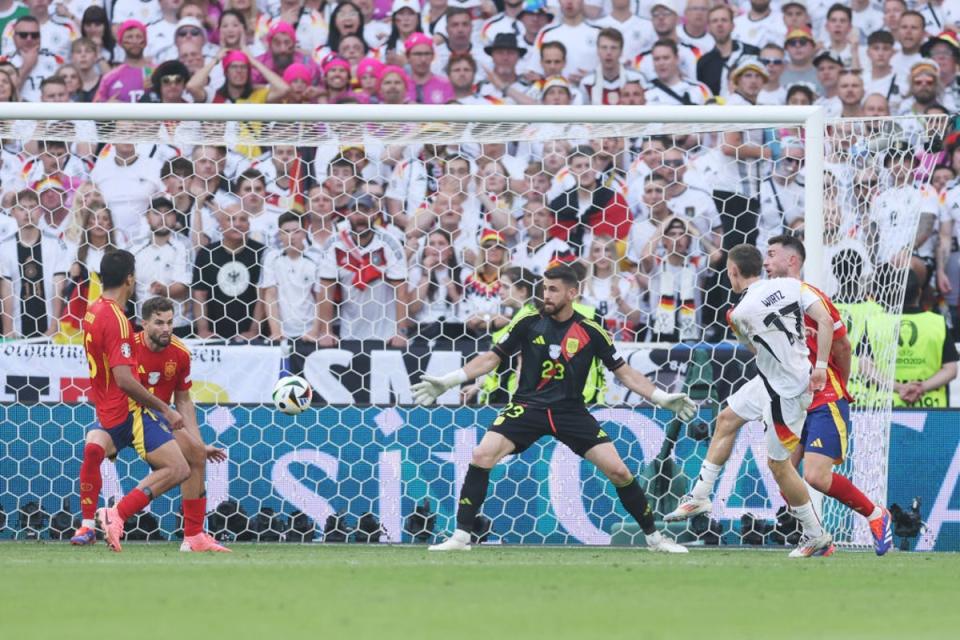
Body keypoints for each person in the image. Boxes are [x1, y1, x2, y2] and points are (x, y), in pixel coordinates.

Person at [414, 264, 696, 553]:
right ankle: (461, 537)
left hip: (570, 413)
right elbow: (491, 358)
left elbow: (624, 373)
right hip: (527, 408)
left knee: (620, 473)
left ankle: (655, 539)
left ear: (572, 293)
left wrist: (661, 397)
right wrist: (449, 381)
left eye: (553, 290)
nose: (546, 295)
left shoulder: (591, 331)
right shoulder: (528, 323)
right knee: (481, 454)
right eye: (544, 289)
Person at [668, 244, 837, 557]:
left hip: (785, 391)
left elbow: (754, 348)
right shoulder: (791, 285)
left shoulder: (738, 313)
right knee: (727, 419)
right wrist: (822, 366)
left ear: (732, 272)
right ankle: (701, 495)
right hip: (780, 378)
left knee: (779, 466)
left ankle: (816, 536)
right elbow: (825, 321)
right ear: (760, 266)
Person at [71, 296, 230, 551]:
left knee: (197, 455)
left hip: (156, 420)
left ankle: (193, 536)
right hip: (124, 416)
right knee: (93, 448)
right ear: (143, 323)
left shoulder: (180, 354)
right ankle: (89, 524)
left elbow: (184, 402)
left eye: (169, 322)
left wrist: (196, 441)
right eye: (159, 323)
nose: (166, 329)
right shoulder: (128, 346)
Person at [68, 250, 189, 552]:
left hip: (108, 407)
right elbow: (123, 379)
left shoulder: (94, 310)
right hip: (128, 410)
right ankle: (112, 515)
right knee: (178, 470)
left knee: (94, 448)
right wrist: (165, 408)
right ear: (130, 279)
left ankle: (88, 523)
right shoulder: (118, 322)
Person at [316, 191, 409, 347]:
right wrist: (326, 331)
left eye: (365, 210)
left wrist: (401, 332)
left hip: (386, 336)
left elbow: (401, 290)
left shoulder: (389, 243)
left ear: (374, 213)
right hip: (349, 334)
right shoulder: (334, 243)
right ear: (347, 214)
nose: (359, 216)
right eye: (355, 211)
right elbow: (326, 290)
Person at [866, 270, 959, 409]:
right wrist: (921, 388)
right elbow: (950, 369)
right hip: (931, 408)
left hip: (885, 407)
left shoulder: (875, 323)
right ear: (919, 292)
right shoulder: (937, 323)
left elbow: (865, 367)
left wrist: (899, 387)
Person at [0, 189, 69, 338]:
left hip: (49, 328)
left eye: (32, 207)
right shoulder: (4, 247)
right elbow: (6, 291)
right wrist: (8, 329)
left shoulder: (56, 244)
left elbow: (59, 288)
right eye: (22, 208)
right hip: (18, 329)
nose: (27, 212)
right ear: (12, 212)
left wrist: (54, 326)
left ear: (40, 211)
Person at [261, 212, 323, 342]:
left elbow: (321, 299)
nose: (291, 236)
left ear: (304, 233)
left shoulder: (316, 258)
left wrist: (314, 331)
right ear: (279, 234)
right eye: (286, 232)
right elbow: (270, 296)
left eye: (296, 231)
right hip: (282, 334)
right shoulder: (272, 258)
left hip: (310, 333)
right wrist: (276, 331)